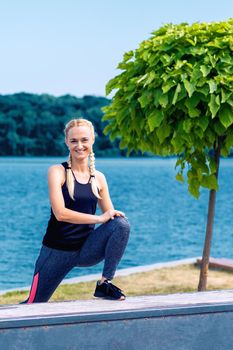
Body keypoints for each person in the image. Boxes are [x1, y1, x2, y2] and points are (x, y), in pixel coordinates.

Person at [21, 118, 130, 303]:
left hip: (86, 249)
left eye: (84, 140)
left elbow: (110, 218)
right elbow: (60, 213)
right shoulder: (57, 172)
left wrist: (110, 216)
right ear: (67, 142)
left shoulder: (99, 178)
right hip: (56, 253)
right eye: (74, 141)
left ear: (93, 140)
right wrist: (98, 219)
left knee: (121, 224)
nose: (80, 145)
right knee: (33, 305)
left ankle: (104, 284)